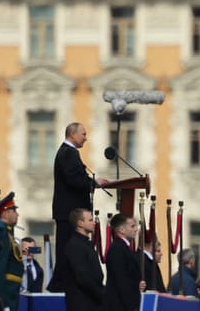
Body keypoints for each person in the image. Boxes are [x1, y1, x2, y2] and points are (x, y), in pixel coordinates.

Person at [49, 122, 107, 292]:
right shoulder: (68, 153)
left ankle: (63, 284)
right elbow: (73, 179)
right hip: (69, 212)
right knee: (66, 251)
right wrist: (94, 183)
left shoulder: (68, 152)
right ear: (72, 134)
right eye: (83, 134)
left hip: (68, 211)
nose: (86, 138)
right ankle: (59, 285)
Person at [63, 208, 105, 311]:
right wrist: (102, 295)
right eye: (90, 220)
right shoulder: (75, 245)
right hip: (83, 303)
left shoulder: (86, 244)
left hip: (93, 302)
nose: (94, 223)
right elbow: (83, 277)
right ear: (80, 223)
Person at [104, 213, 146, 311]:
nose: (136, 229)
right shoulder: (117, 249)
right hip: (121, 305)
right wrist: (132, 306)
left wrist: (137, 284)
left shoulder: (123, 248)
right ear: (121, 230)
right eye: (132, 226)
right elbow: (121, 280)